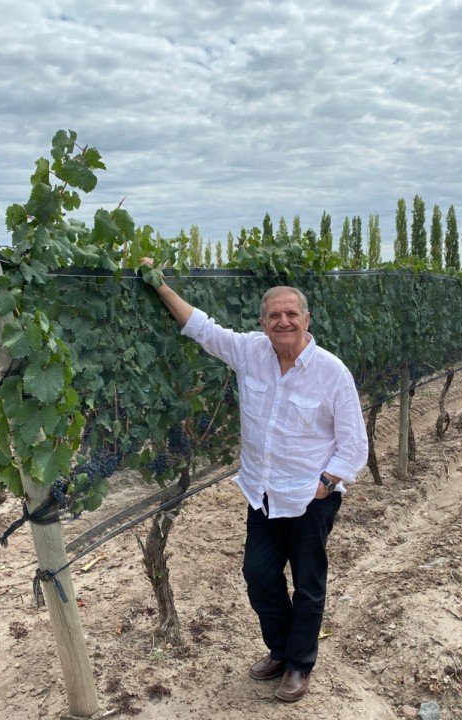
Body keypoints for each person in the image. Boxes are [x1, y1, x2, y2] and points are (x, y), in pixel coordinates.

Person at [142, 262, 368, 702]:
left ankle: (299, 664)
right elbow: (202, 328)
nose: (283, 322)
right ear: (263, 323)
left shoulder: (331, 372)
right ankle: (281, 650)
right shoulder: (249, 352)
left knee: (307, 583)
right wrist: (160, 287)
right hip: (262, 493)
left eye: (291, 314)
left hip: (310, 498)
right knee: (259, 575)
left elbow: (354, 443)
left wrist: (324, 482)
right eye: (274, 316)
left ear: (306, 320)